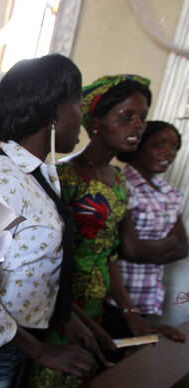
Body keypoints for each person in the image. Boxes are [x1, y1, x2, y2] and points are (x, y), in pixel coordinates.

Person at [0, 55, 115, 388]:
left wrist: (72, 319)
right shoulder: (5, 181)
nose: (83, 117)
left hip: (25, 342)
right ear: (55, 113)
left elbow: (36, 261)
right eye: (78, 104)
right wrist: (41, 350)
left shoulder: (39, 174)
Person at [57, 75, 184, 342]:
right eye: (127, 117)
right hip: (61, 306)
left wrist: (129, 311)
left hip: (98, 304)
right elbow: (51, 259)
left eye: (142, 117)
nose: (138, 126)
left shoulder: (116, 178)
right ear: (95, 123)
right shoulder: (65, 175)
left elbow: (108, 255)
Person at [116, 121, 188, 317]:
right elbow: (128, 248)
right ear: (138, 145)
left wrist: (145, 252)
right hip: (117, 299)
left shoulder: (169, 193)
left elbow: (183, 246)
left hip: (149, 297)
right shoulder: (121, 185)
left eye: (174, 147)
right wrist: (169, 241)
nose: (169, 152)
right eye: (159, 144)